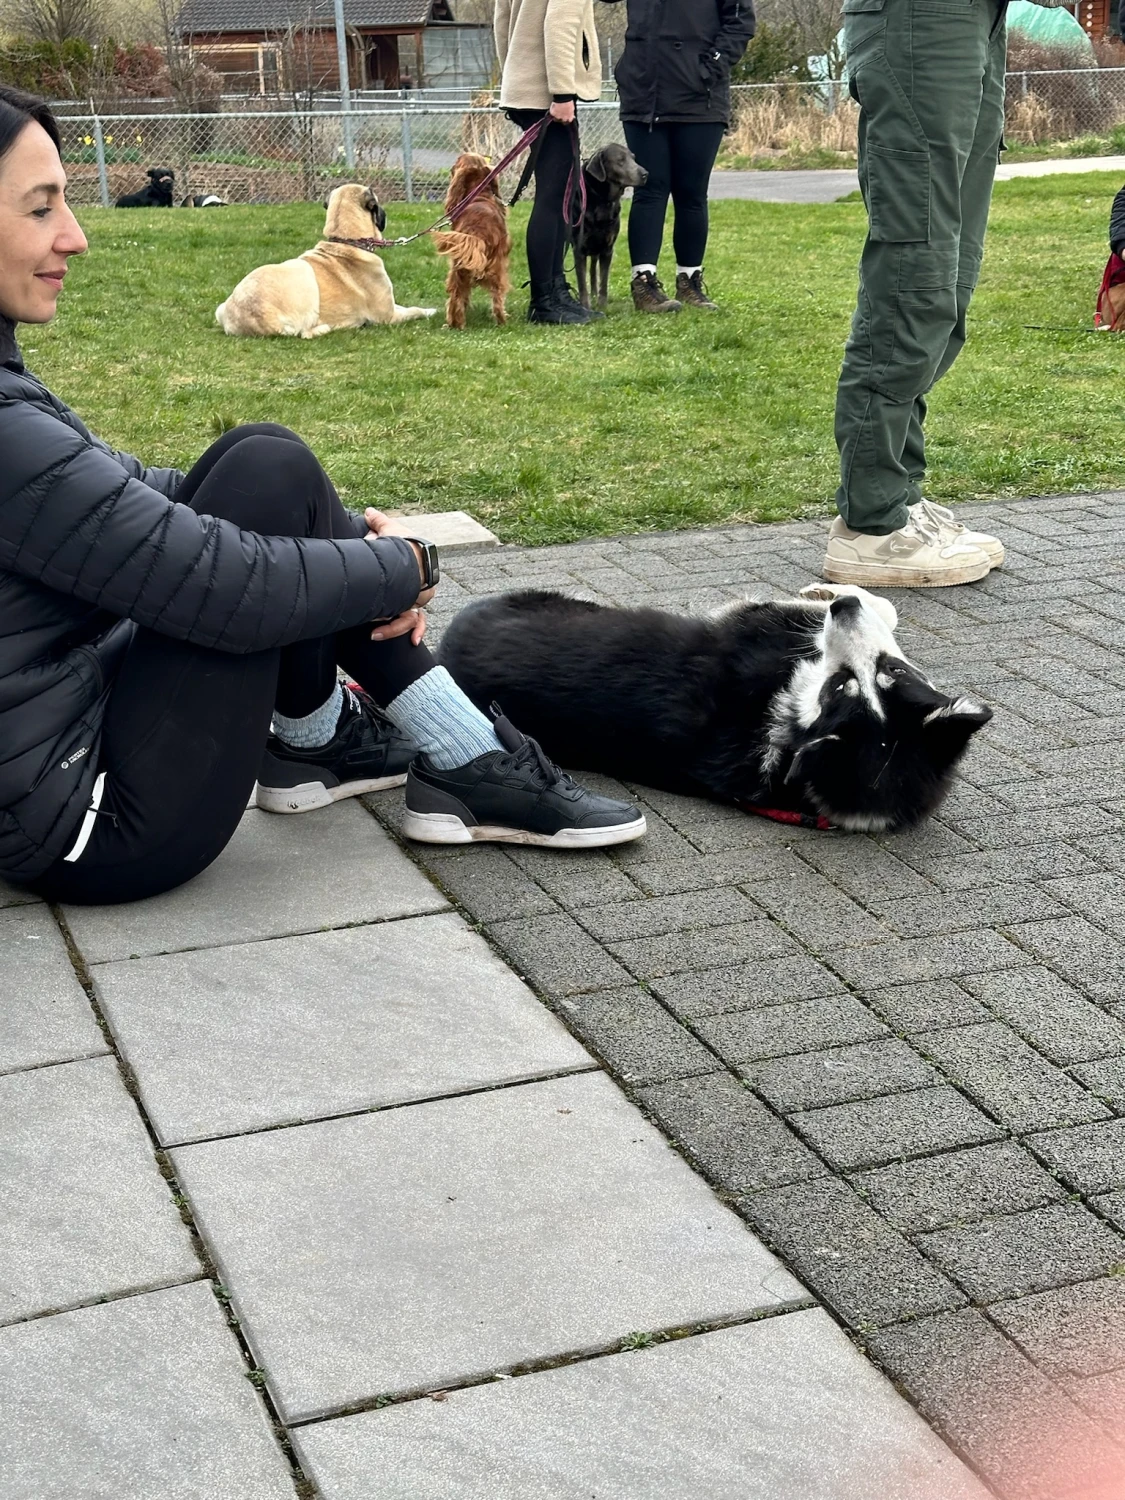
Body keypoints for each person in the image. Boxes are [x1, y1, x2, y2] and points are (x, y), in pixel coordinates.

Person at [0, 85, 645, 906]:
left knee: (264, 464)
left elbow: (113, 492)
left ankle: (327, 741)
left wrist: (341, 535)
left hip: (77, 719)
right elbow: (219, 583)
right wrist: (398, 567)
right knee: (257, 508)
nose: (75, 237)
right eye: (40, 208)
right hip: (98, 826)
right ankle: (458, 758)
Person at [822, 0, 1011, 588]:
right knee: (916, 274)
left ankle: (899, 496)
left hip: (977, 16)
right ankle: (872, 525)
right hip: (920, 16)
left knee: (951, 273)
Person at [605, 0, 755, 315]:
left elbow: (740, 21)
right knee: (649, 189)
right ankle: (644, 284)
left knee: (692, 193)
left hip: (701, 98)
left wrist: (711, 66)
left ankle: (690, 281)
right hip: (644, 94)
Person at [495, 0, 603, 324]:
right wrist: (561, 94)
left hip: (527, 88)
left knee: (558, 195)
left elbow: (502, 22)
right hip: (549, 94)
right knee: (553, 196)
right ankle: (545, 301)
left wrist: (514, 74)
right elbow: (559, 24)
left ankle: (555, 291)